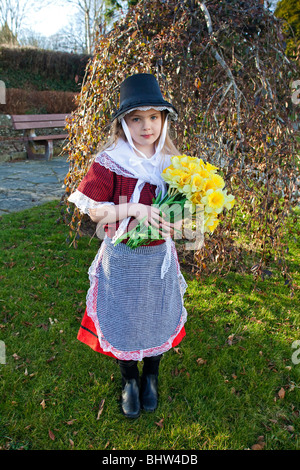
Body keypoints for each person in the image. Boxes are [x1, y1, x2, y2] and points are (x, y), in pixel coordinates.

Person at [68, 73, 188, 419]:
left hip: (158, 259)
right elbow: (94, 211)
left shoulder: (173, 162)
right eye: (137, 118)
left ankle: (151, 375)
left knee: (157, 316)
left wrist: (177, 219)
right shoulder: (112, 161)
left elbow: (181, 207)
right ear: (124, 122)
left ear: (163, 119)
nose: (146, 126)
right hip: (122, 258)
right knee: (124, 320)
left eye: (154, 116)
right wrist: (133, 209)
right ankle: (130, 381)